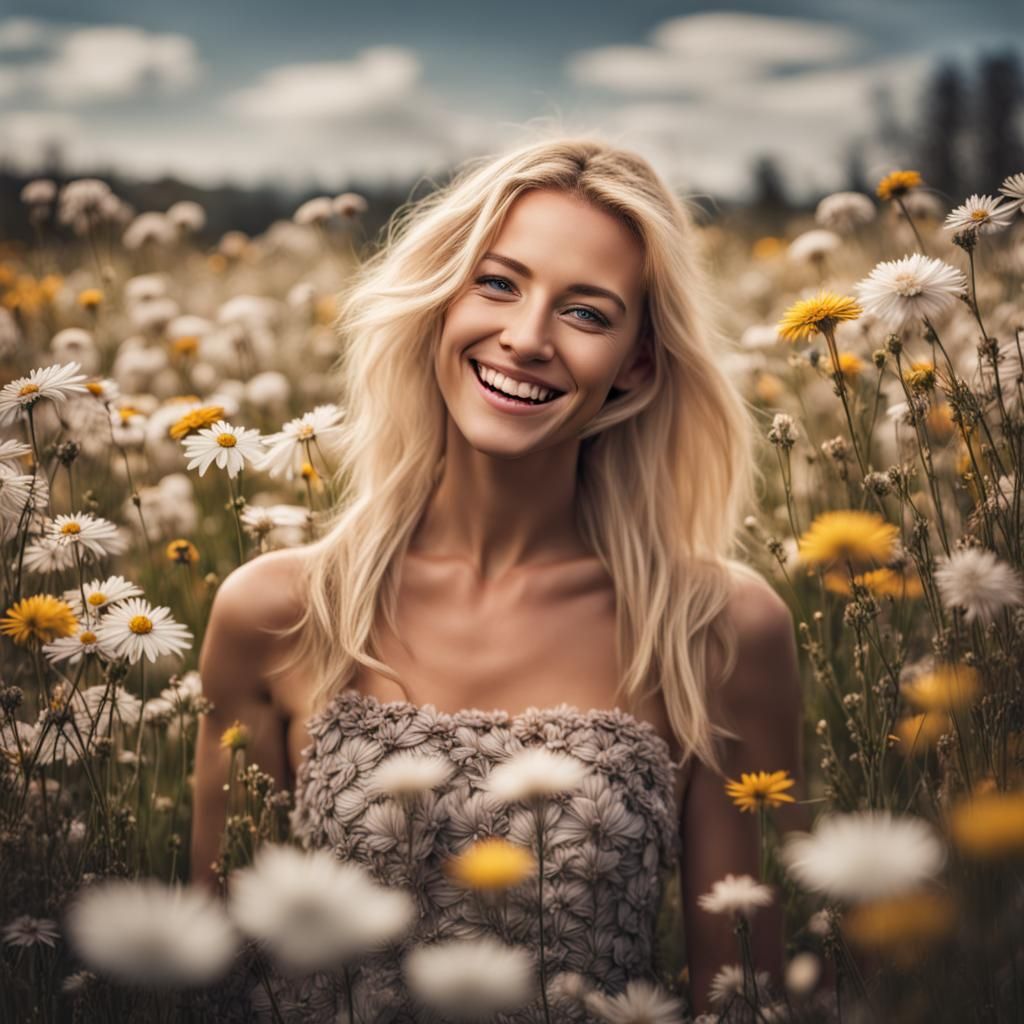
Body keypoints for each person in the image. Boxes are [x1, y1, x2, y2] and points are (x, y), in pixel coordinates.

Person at [190, 135, 809, 1020]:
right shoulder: (276, 612)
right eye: (498, 283)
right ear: (441, 301)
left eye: (587, 314)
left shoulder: (717, 628)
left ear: (637, 362)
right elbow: (214, 975)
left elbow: (741, 994)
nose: (525, 339)